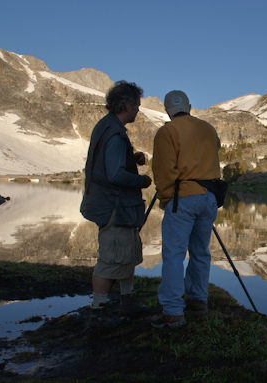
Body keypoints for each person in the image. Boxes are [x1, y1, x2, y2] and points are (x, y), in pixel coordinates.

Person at [150, 90, 221, 328]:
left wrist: (166, 198)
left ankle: (172, 310)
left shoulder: (166, 132)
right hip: (210, 196)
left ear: (166, 110)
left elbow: (164, 171)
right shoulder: (208, 129)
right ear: (190, 107)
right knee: (201, 252)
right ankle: (199, 301)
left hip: (183, 198)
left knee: (174, 254)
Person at [80, 80, 152, 315]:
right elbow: (115, 174)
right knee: (110, 258)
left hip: (117, 207)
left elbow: (113, 162)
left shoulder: (107, 126)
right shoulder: (115, 134)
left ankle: (126, 300)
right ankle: (99, 306)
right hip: (114, 207)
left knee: (126, 254)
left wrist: (133, 158)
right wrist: (142, 180)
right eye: (136, 105)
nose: (138, 110)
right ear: (126, 104)